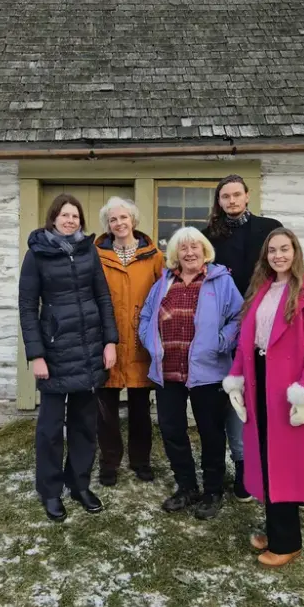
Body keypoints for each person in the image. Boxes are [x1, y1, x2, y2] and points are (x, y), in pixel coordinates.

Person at [222, 227, 304, 567]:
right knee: (267, 458)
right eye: (272, 250)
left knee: (286, 463)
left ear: (295, 251)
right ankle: (274, 530)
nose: (278, 255)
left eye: (284, 249)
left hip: (290, 388)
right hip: (260, 381)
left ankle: (288, 543)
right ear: (265, 256)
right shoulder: (262, 289)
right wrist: (236, 379)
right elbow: (246, 340)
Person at [18, 194, 119, 522]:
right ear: (53, 218)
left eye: (75, 215)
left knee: (84, 425)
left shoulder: (88, 250)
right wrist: (36, 355)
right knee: (49, 429)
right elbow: (27, 308)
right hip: (55, 352)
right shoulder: (37, 254)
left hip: (89, 350)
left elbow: (103, 297)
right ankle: (50, 490)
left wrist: (110, 342)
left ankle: (79, 484)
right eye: (65, 215)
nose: (70, 220)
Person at [138, 226, 243, 520]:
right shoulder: (164, 282)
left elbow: (238, 316)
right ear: (175, 254)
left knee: (211, 433)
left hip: (207, 373)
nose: (190, 252)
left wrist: (223, 341)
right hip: (167, 369)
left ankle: (212, 491)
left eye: (195, 246)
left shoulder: (220, 281)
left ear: (204, 250)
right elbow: (146, 316)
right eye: (183, 248)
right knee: (172, 431)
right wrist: (150, 341)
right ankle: (186, 487)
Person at [203, 174, 283, 503]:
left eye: (237, 195)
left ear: (247, 196)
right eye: (225, 197)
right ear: (219, 201)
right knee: (231, 399)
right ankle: (239, 466)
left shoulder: (269, 228)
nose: (232, 201)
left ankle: (266, 467)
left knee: (262, 400)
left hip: (264, 323)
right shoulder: (210, 236)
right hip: (223, 327)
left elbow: (283, 269)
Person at [94, 196, 165, 486]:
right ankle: (109, 462)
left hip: (140, 342)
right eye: (113, 219)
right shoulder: (95, 255)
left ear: (133, 220)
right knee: (105, 408)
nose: (119, 223)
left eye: (124, 217)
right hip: (106, 341)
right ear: (108, 225)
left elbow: (165, 294)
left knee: (139, 408)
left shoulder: (154, 256)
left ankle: (140, 460)